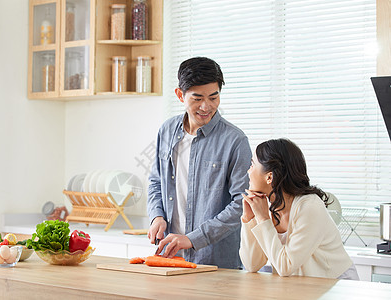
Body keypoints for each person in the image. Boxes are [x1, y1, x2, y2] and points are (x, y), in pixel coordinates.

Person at [147, 57, 252, 269]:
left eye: (214, 97)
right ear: (180, 95)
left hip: (216, 262)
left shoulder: (235, 141)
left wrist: (194, 238)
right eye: (197, 98)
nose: (206, 106)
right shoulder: (167, 131)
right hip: (171, 257)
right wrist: (156, 216)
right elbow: (156, 182)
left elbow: (242, 203)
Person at [240, 138, 359, 279]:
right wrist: (250, 219)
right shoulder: (268, 206)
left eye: (252, 165)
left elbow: (285, 266)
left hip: (336, 285)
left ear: (269, 177)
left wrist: (263, 219)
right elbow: (252, 265)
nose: (248, 171)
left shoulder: (310, 207)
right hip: (303, 287)